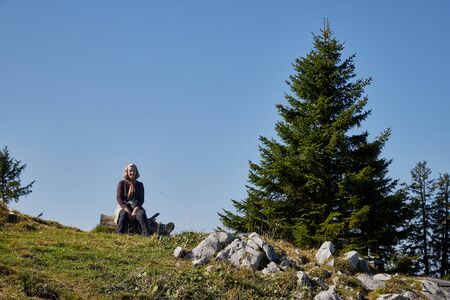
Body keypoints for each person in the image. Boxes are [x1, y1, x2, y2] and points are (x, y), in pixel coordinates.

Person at [114, 163, 150, 236]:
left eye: (134, 171)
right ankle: (119, 234)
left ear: (136, 172)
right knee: (123, 214)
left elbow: (141, 200)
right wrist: (128, 211)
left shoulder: (140, 185)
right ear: (127, 172)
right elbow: (119, 198)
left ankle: (146, 235)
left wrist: (134, 211)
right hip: (124, 207)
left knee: (141, 214)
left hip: (136, 207)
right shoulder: (121, 183)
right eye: (130, 171)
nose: (132, 173)